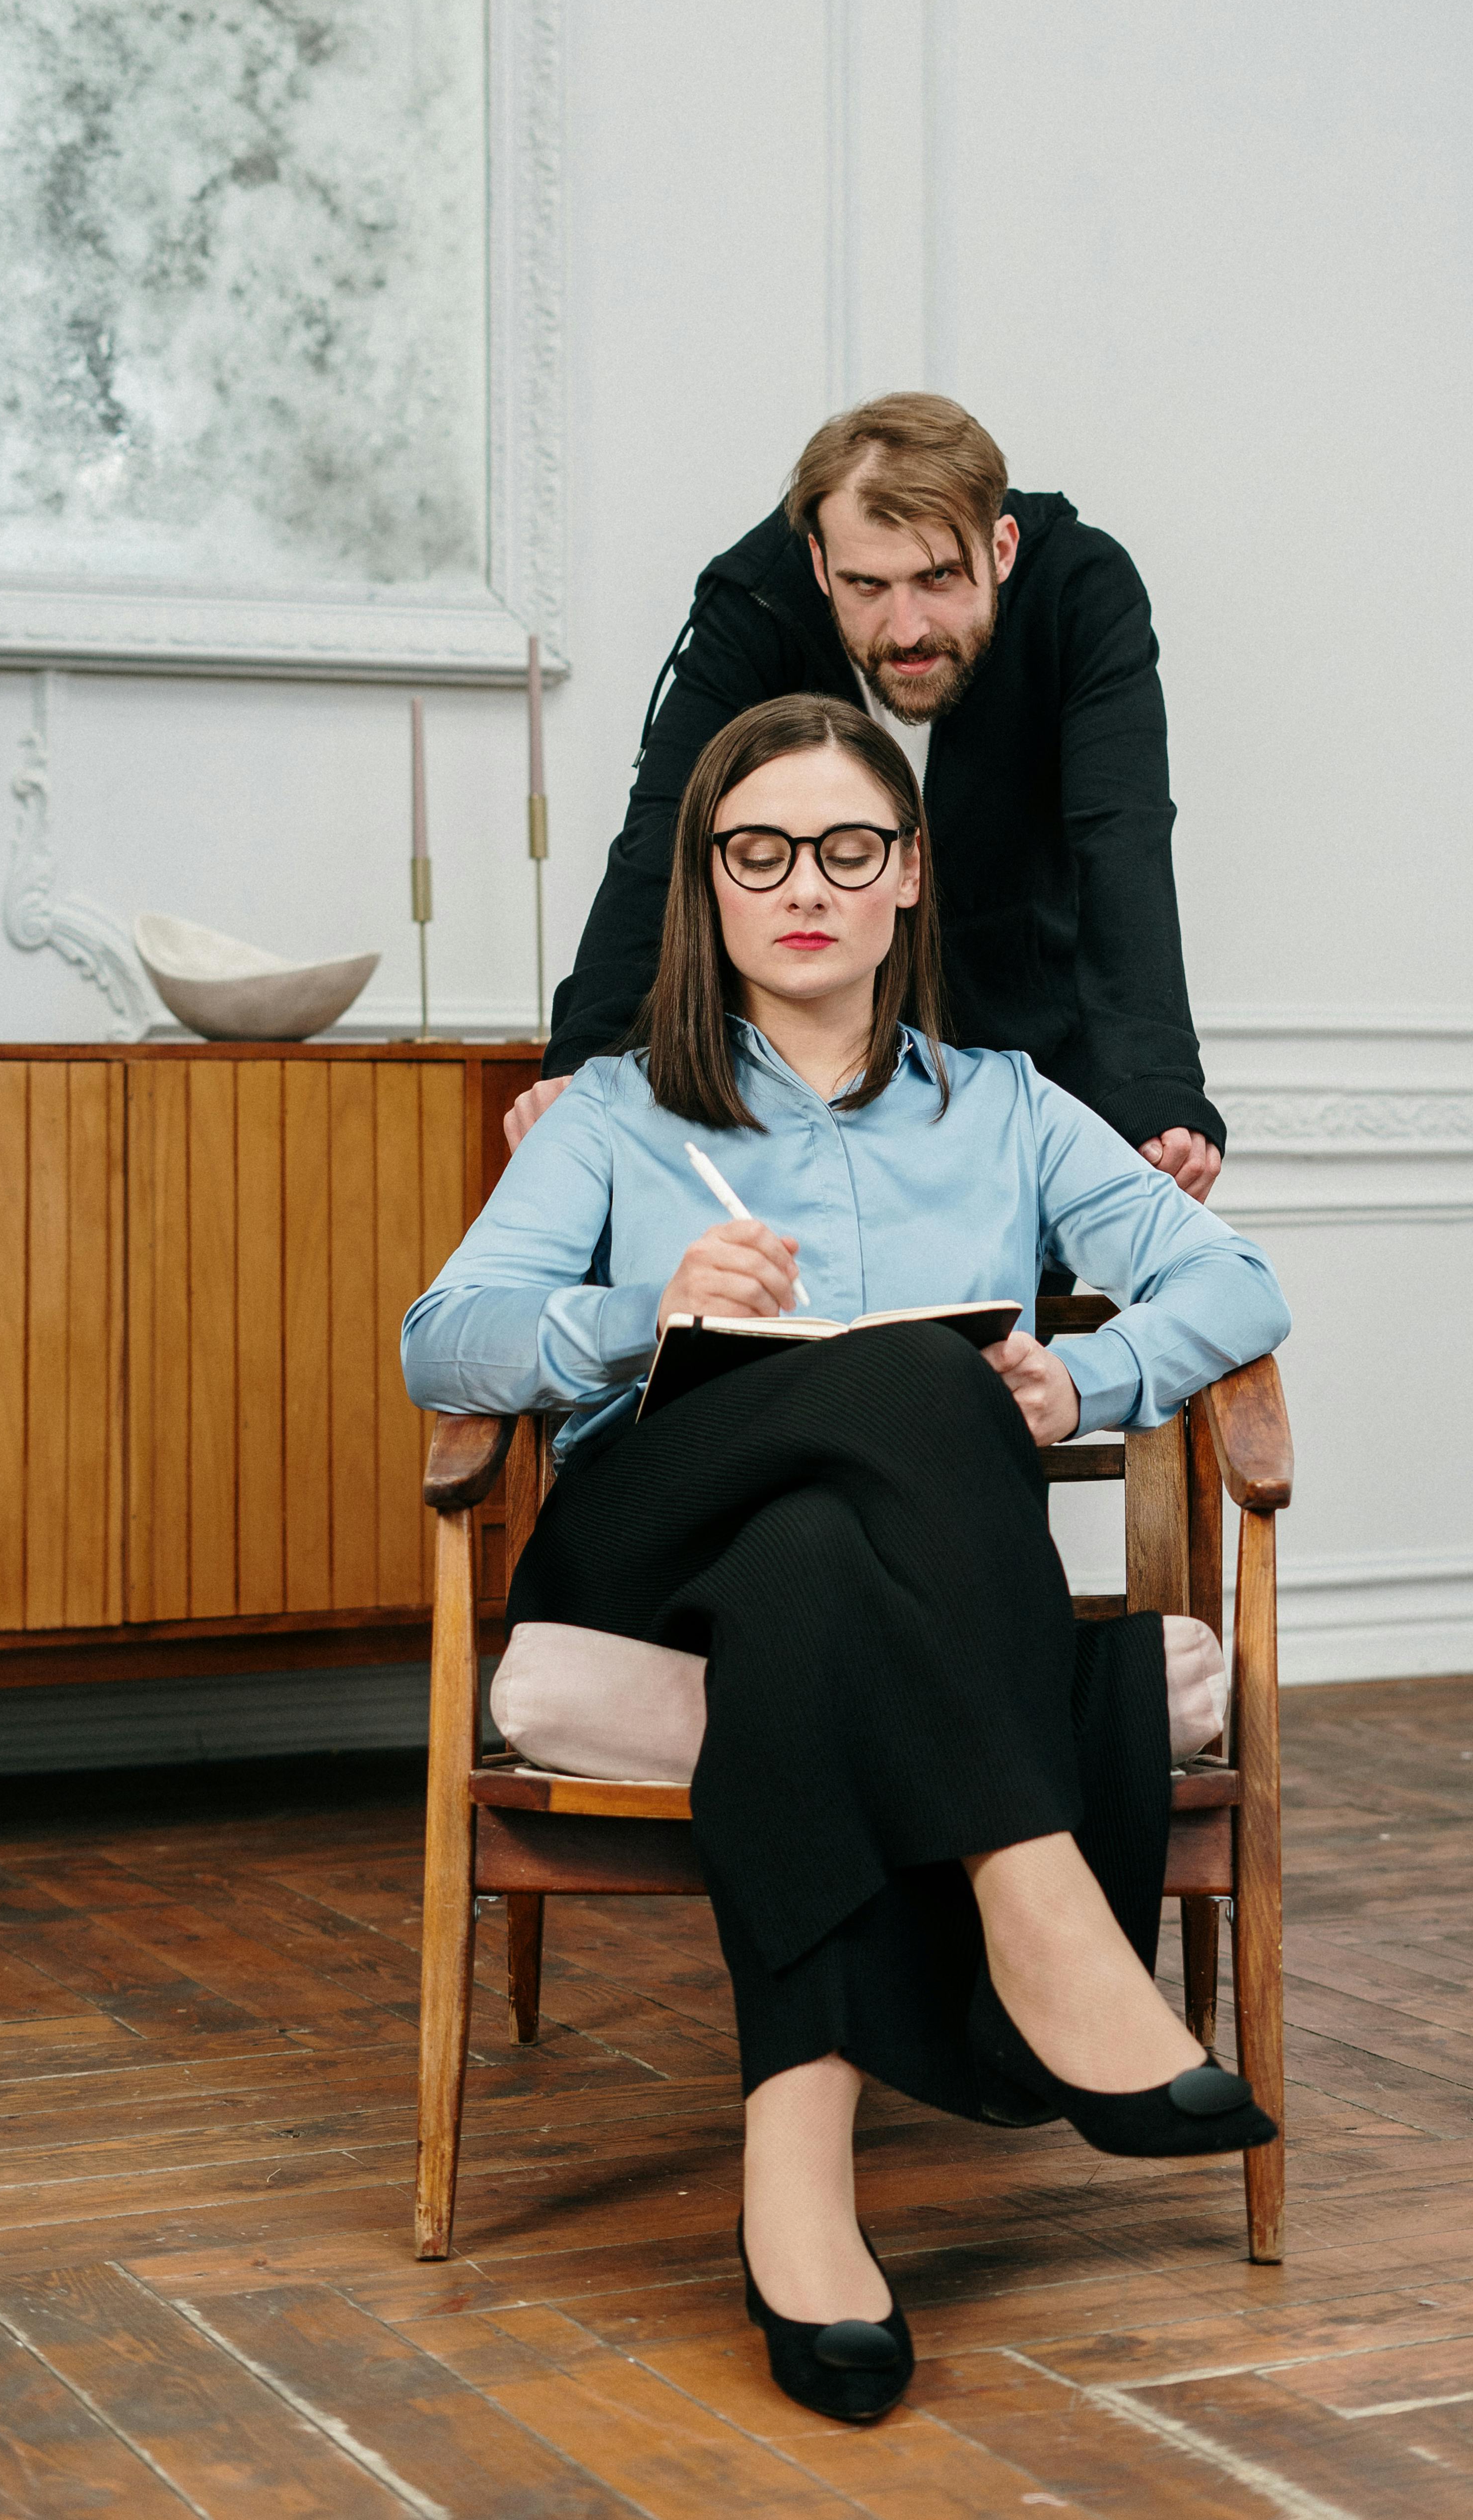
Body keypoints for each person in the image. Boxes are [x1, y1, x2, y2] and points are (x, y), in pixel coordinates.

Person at [401, 692, 1288, 2426]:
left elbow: (1234, 1285)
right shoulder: (606, 1112)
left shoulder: (1010, 1111)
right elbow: (448, 1345)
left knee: (824, 1554)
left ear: (908, 883)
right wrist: (630, 1315)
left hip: (850, 1592)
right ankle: (1038, 1906)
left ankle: (794, 2186)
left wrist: (1078, 1375)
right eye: (759, 851)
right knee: (901, 1370)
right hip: (644, 1533)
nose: (804, 882)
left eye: (847, 847)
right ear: (709, 886)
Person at [508, 393, 1225, 1203]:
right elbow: (664, 836)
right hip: (785, 1075)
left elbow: (1120, 836)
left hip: (1021, 1041)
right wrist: (585, 1064)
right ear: (819, 566)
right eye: (867, 585)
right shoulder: (755, 604)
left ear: (1003, 547)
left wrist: (1155, 1082)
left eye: (939, 577)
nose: (908, 625)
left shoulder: (1080, 589)